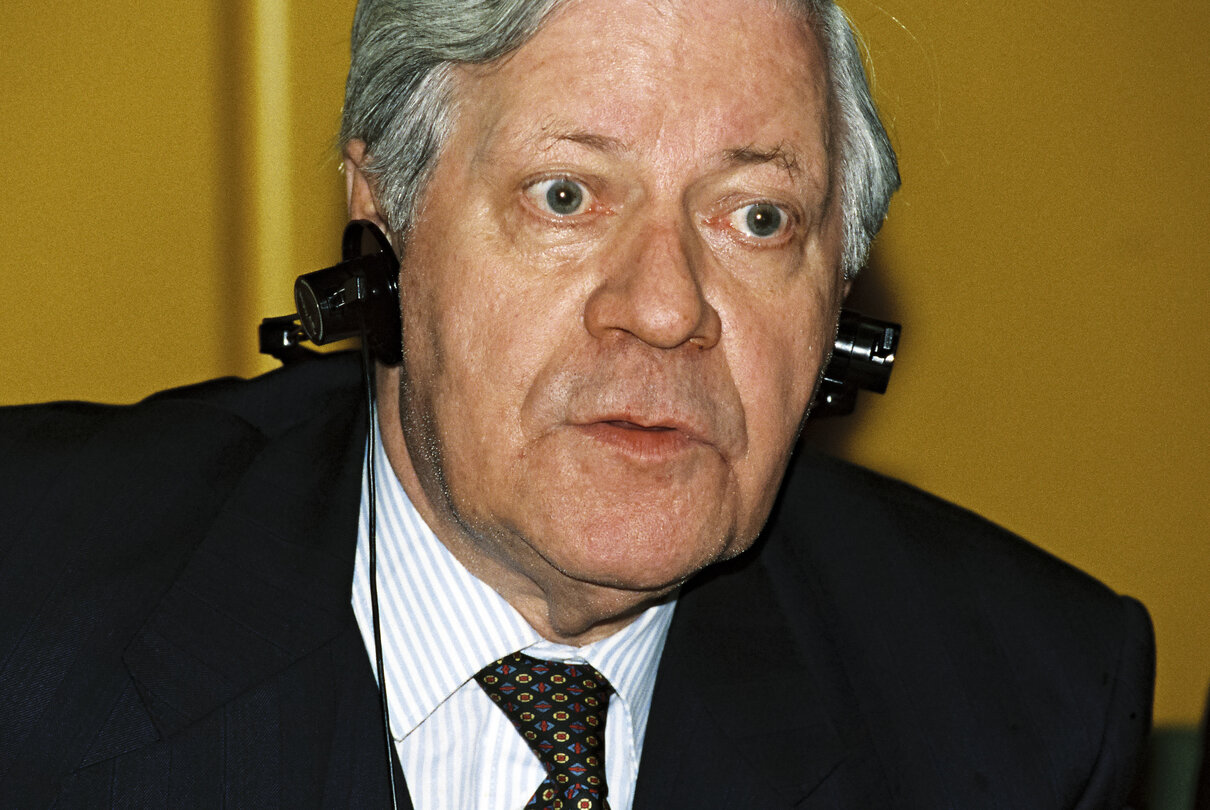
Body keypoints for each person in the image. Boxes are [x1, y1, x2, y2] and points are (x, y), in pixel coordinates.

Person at [0, 0, 1154, 807]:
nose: (663, 310)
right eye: (567, 197)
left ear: (837, 294)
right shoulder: (30, 596)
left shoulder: (1023, 704)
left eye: (756, 217)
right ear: (386, 210)